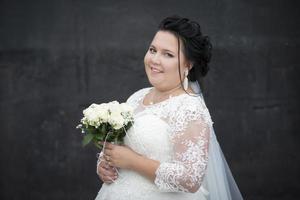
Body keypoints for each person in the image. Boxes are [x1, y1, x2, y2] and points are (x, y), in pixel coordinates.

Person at [95, 15, 243, 200]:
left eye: (168, 54)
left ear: (188, 64)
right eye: (153, 50)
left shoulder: (189, 109)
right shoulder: (137, 97)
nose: (155, 60)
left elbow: (190, 179)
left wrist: (132, 161)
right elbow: (123, 146)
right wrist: (106, 163)